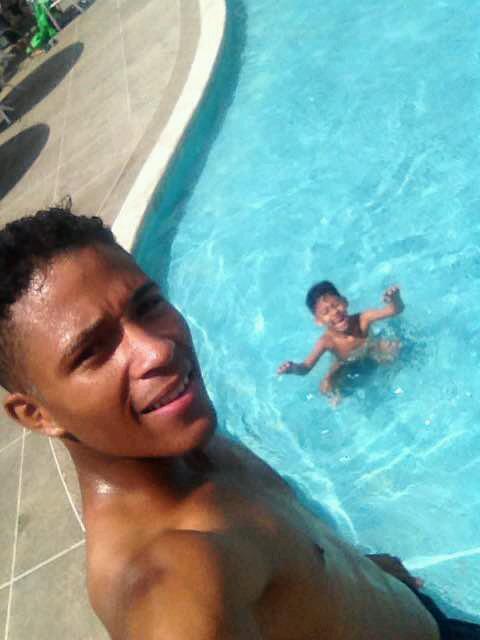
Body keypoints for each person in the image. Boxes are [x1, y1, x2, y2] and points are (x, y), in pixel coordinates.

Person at [1, 208, 478, 640]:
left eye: (147, 305)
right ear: (37, 414)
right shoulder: (170, 581)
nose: (158, 349)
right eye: (92, 350)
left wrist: (364, 576)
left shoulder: (182, 437)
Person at [278, 280, 405, 401]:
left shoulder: (363, 319)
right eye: (326, 312)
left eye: (336, 305)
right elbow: (306, 367)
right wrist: (293, 368)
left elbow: (396, 310)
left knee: (394, 346)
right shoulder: (326, 341)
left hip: (370, 349)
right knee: (325, 387)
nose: (334, 312)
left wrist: (395, 299)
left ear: (345, 302)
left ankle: (390, 378)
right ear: (318, 321)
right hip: (345, 363)